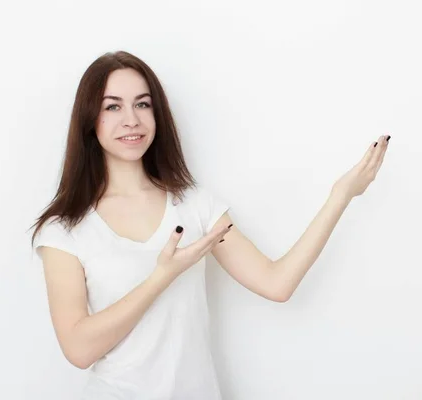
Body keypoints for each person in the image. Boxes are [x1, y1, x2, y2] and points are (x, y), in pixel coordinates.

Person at [30, 50, 391, 399]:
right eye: (113, 106)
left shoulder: (194, 204)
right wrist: (162, 276)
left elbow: (277, 283)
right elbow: (78, 349)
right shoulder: (64, 229)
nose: (132, 119)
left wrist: (340, 196)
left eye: (143, 104)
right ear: (90, 120)